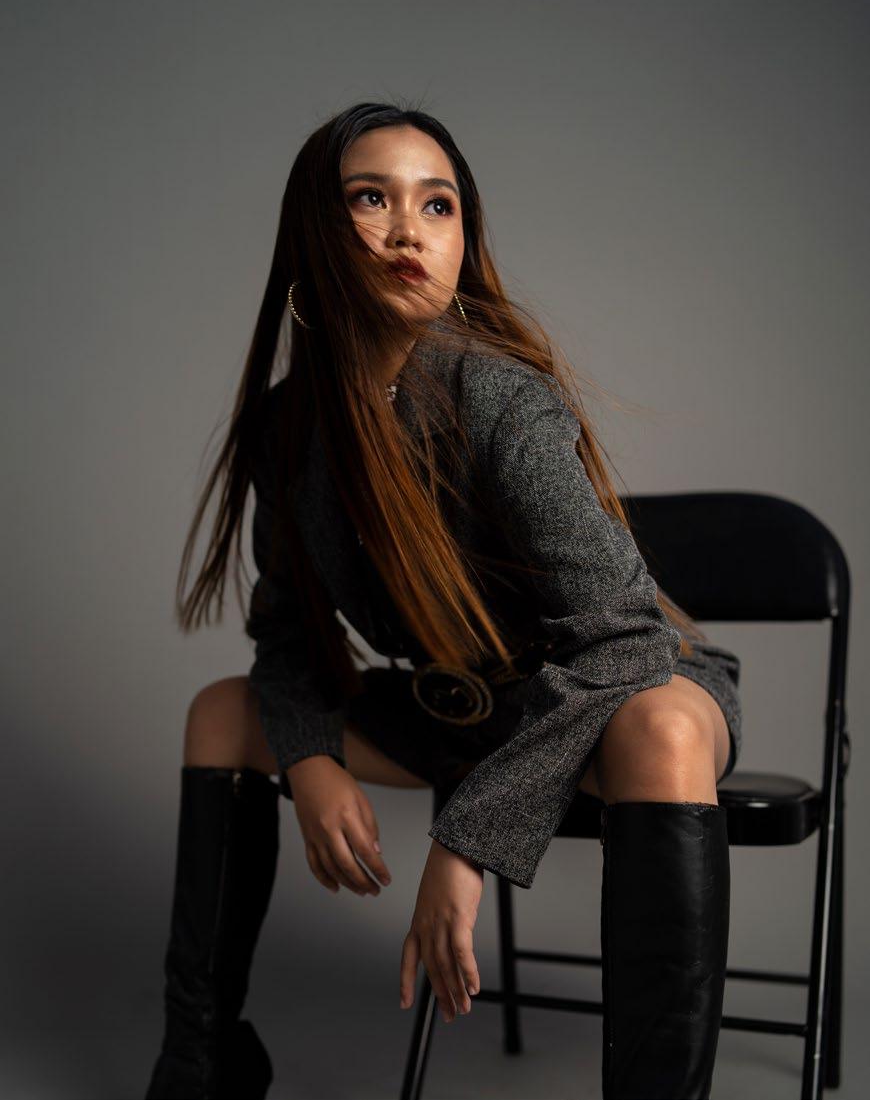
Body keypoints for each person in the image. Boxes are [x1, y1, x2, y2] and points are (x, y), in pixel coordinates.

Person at [145, 100, 742, 1100]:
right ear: (315, 231)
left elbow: (625, 641)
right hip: (459, 709)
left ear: (465, 238)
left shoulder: (500, 396)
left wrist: (468, 841)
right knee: (222, 712)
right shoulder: (290, 426)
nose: (407, 232)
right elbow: (286, 634)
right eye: (369, 199)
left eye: (438, 205)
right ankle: (199, 1064)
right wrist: (310, 761)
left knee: (665, 726)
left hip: (600, 694)